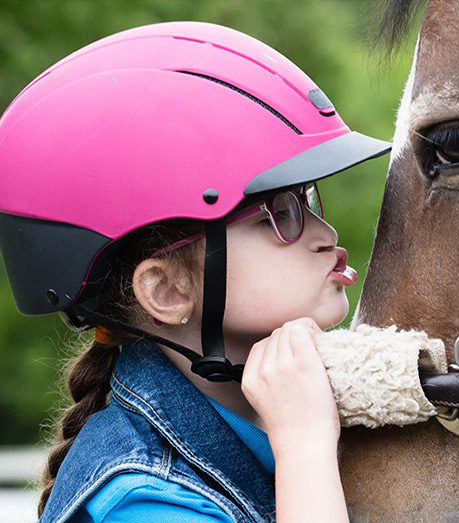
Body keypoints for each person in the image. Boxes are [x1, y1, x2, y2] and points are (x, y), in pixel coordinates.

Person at [0, 21, 390, 522]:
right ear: (165, 290)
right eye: (280, 214)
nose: (325, 233)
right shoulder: (142, 503)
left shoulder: (287, 418)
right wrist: (305, 445)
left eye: (308, 199)